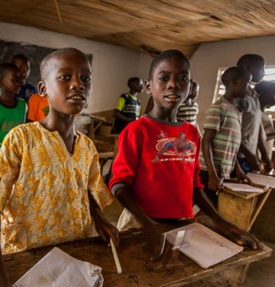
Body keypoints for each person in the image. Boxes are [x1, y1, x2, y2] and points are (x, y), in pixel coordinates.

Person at [0, 48, 119, 287]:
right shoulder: (21, 139)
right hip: (27, 254)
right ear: (43, 89)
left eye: (85, 78)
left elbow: (87, 189)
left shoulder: (87, 147)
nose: (78, 84)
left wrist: (100, 219)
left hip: (73, 250)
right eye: (65, 77)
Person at [109, 50, 259, 262]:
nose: (173, 84)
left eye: (182, 78)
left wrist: (221, 222)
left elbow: (194, 185)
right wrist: (147, 224)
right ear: (149, 86)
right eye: (164, 78)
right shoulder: (137, 131)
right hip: (140, 223)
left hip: (180, 223)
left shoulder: (191, 133)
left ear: (189, 87)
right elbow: (118, 185)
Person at [199, 66, 253, 207]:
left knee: (215, 207)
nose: (249, 87)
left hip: (221, 172)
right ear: (234, 82)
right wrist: (212, 174)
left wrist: (238, 169)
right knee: (206, 209)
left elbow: (231, 146)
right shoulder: (218, 108)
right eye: (248, 82)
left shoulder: (236, 111)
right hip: (208, 171)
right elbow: (206, 141)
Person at [236, 54, 272, 173]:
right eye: (262, 67)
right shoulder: (237, 96)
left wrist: (265, 155)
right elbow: (230, 131)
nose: (264, 72)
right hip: (235, 155)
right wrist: (250, 156)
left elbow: (257, 131)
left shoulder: (254, 96)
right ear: (247, 68)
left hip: (247, 157)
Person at [255, 81, 275, 167]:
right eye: (273, 93)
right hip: (257, 160)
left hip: (263, 160)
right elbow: (257, 139)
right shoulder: (255, 114)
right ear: (262, 94)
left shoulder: (264, 115)